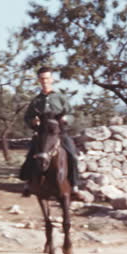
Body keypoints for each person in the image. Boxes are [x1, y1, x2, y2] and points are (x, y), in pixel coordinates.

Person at [19, 66, 83, 200]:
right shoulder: (36, 100)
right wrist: (33, 122)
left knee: (72, 155)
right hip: (42, 136)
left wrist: (66, 119)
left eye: (47, 78)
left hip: (60, 134)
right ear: (39, 80)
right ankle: (28, 184)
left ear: (52, 79)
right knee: (31, 155)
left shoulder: (60, 97)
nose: (45, 81)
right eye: (42, 79)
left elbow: (71, 113)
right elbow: (27, 117)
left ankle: (74, 186)